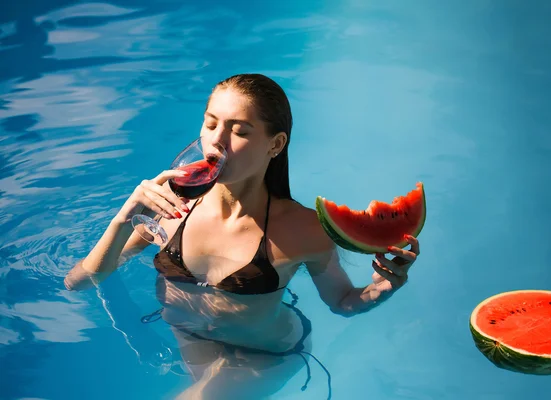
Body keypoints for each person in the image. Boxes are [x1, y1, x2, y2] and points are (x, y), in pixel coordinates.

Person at [64, 73, 420, 400]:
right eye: (210, 123)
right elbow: (80, 281)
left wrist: (382, 288)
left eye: (240, 131)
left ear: (275, 144)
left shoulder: (302, 229)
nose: (217, 140)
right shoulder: (170, 205)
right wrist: (123, 218)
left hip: (266, 355)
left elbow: (342, 302)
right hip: (192, 342)